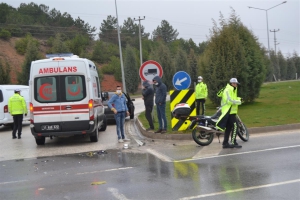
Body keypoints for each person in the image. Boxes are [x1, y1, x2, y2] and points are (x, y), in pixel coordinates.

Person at [216, 78, 242, 148]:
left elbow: (233, 98)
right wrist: (239, 101)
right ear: (232, 83)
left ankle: (225, 143)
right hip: (229, 111)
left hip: (231, 111)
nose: (237, 85)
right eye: (236, 84)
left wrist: (238, 99)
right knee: (235, 126)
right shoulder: (228, 90)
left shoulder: (233, 89)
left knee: (228, 128)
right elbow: (229, 100)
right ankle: (233, 142)